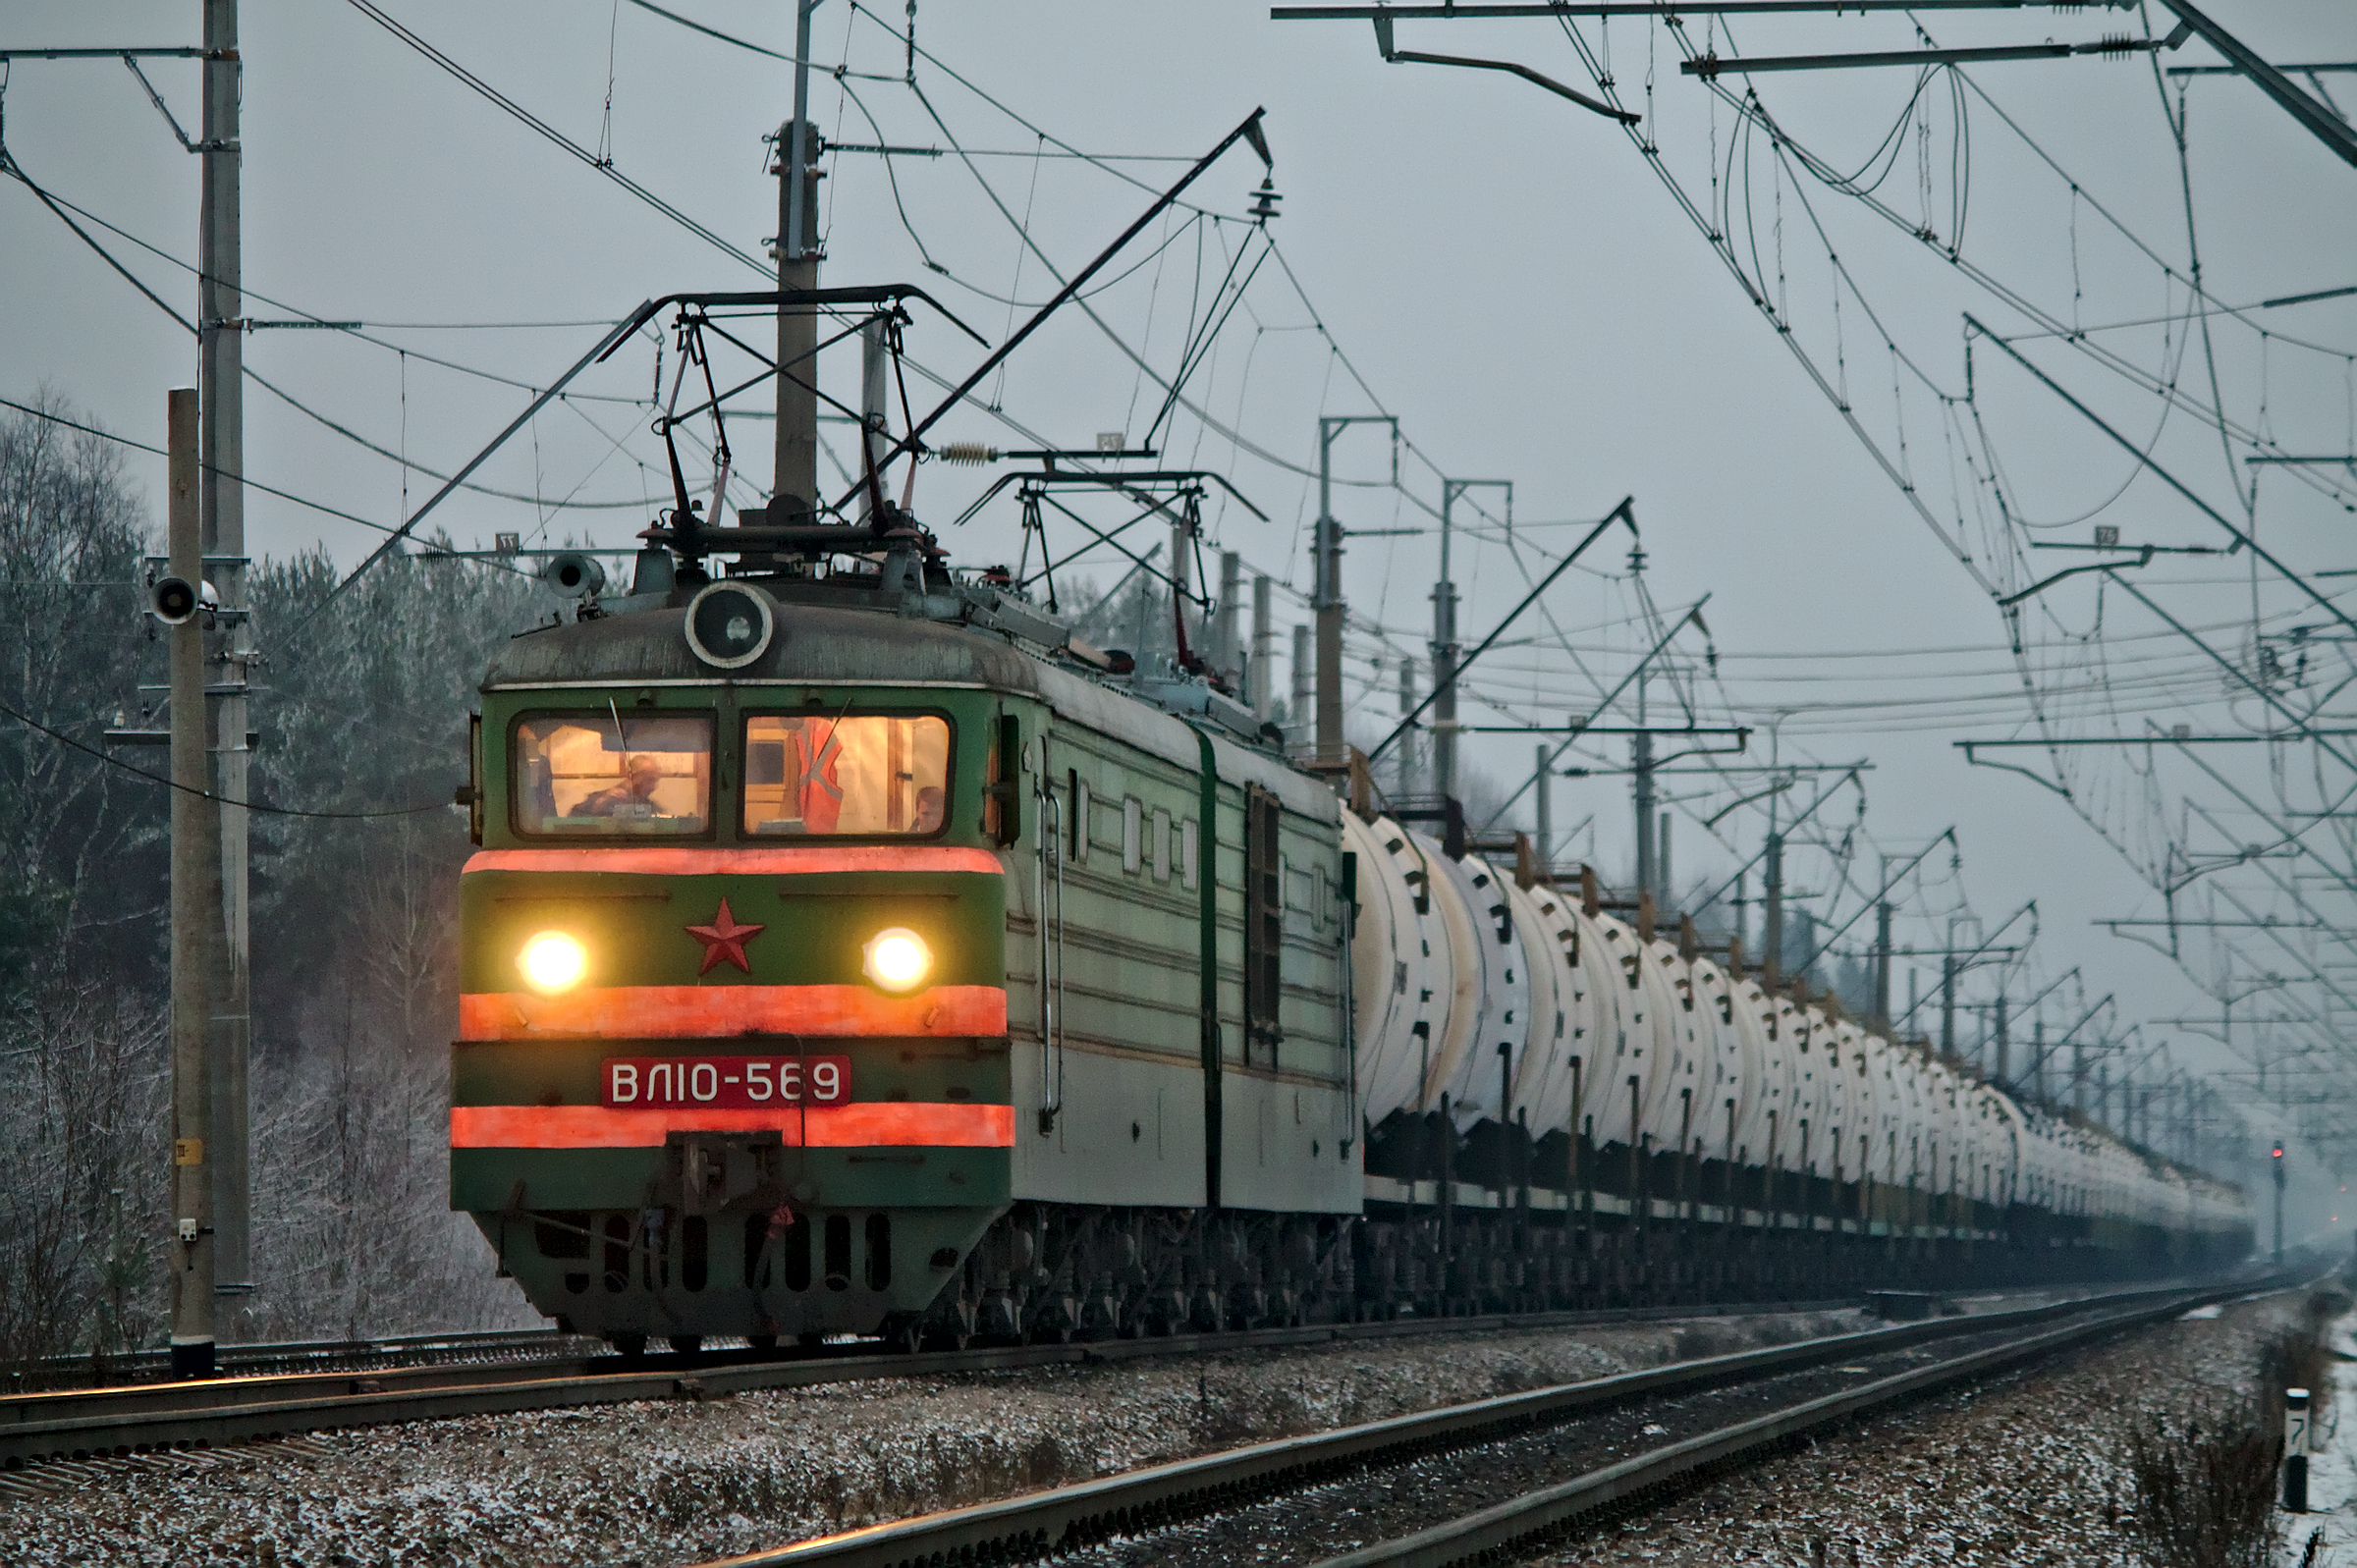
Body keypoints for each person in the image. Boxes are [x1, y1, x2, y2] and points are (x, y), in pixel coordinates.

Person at [573, 753, 664, 818]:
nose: (653, 787)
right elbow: (573, 820)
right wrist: (599, 804)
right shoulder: (601, 800)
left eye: (655, 781)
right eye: (649, 780)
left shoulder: (652, 807)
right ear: (630, 776)